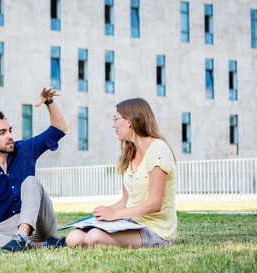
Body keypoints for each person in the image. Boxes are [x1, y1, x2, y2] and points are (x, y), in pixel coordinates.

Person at [0, 87, 68, 252]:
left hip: (39, 224)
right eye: (2, 133)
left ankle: (22, 237)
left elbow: (59, 130)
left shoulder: (26, 149)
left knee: (30, 181)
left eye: (10, 130)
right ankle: (37, 244)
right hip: (6, 231)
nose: (10, 136)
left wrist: (49, 102)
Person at [65, 98, 177, 248]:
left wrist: (114, 215)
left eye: (115, 119)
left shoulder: (158, 150)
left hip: (155, 229)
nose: (113, 125)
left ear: (129, 122)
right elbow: (126, 199)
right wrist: (106, 212)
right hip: (131, 222)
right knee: (73, 238)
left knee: (94, 237)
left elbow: (155, 204)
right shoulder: (129, 152)